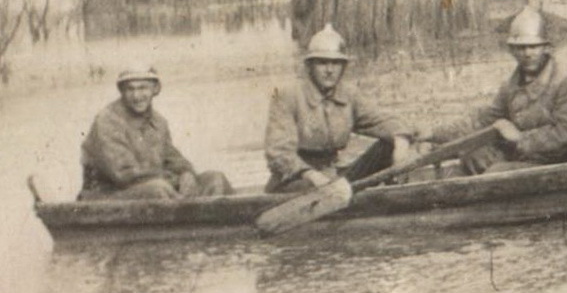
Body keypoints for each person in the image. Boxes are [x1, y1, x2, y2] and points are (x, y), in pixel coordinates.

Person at [263, 27, 416, 211]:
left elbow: (384, 120)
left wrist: (401, 141)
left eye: (336, 64)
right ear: (309, 66)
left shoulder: (349, 95)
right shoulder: (288, 96)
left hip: (334, 178)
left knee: (387, 146)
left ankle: (394, 200)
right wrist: (312, 175)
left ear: (343, 67)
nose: (329, 70)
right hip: (295, 182)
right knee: (315, 190)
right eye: (322, 63)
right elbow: (279, 153)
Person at [463, 8, 567, 172]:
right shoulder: (510, 86)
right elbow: (484, 120)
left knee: (496, 172)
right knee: (471, 155)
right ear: (512, 51)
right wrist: (433, 136)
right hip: (531, 158)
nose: (527, 53)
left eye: (534, 47)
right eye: (521, 48)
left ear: (546, 48)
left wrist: (520, 138)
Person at [80, 67, 233, 200]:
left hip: (156, 186)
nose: (137, 96)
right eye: (130, 89)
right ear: (122, 91)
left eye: (143, 88)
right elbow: (123, 174)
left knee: (215, 179)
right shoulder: (107, 121)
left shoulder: (159, 122)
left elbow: (172, 158)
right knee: (158, 189)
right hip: (107, 195)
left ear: (155, 89)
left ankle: (213, 227)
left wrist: (186, 173)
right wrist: (174, 180)